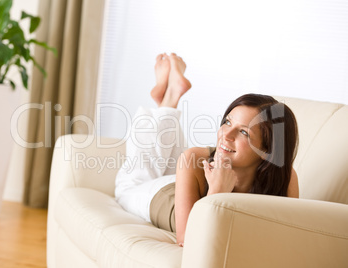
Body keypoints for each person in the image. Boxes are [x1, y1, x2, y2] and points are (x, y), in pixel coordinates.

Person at [115, 53, 299, 247]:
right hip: (166, 197)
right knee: (126, 187)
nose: (226, 134)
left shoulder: (284, 176)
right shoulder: (194, 158)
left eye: (243, 132)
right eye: (227, 122)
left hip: (188, 184)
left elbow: (287, 240)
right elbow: (187, 241)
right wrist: (217, 192)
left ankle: (169, 99)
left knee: (172, 158)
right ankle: (168, 100)